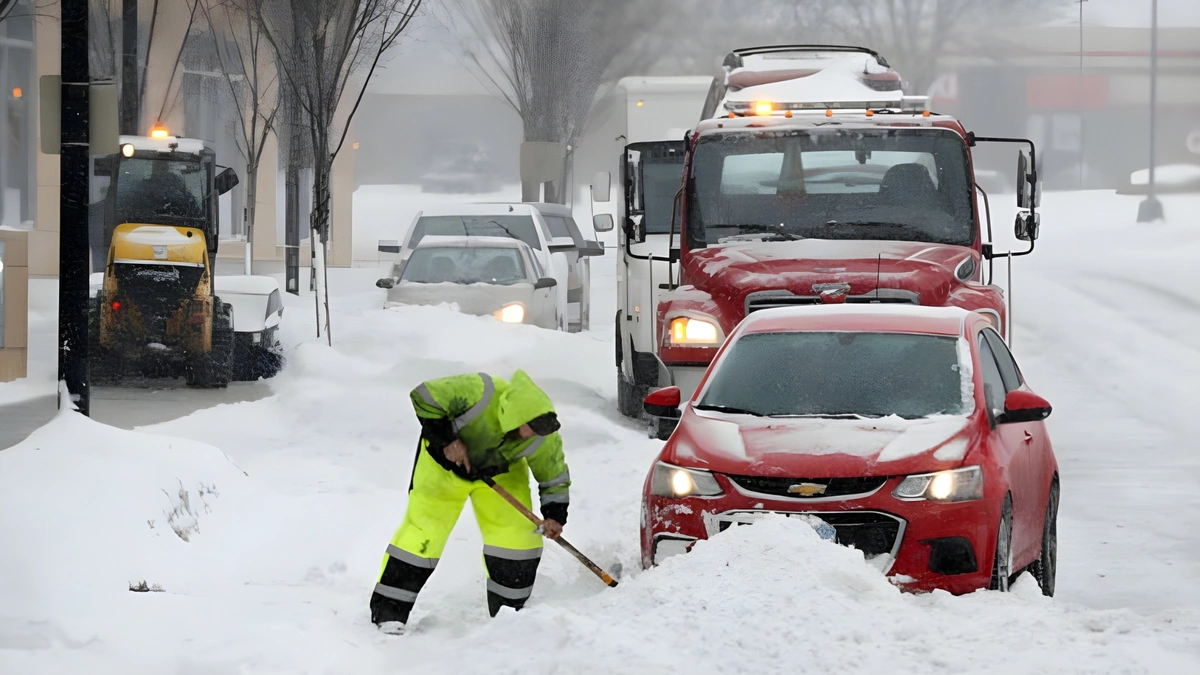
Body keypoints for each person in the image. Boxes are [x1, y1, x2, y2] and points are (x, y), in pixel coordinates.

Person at [370, 370, 570, 634]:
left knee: (517, 537)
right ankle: (389, 613)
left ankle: (511, 614)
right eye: (528, 429)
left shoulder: (542, 434)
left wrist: (555, 515)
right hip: (444, 464)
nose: (530, 435)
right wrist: (448, 441)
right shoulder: (480, 391)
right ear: (516, 416)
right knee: (423, 534)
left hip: (499, 472)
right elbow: (424, 396)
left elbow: (553, 475)